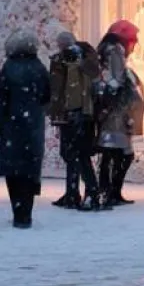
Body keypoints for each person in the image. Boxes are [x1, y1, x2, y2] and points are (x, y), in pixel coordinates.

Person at [0, 30, 51, 228]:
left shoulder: (8, 67)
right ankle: (26, 212)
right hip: (32, 124)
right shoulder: (39, 68)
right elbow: (47, 96)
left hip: (11, 124)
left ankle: (18, 211)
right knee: (30, 168)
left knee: (12, 168)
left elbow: (0, 98)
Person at [94, 21, 144, 209]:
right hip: (116, 111)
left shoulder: (105, 51)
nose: (133, 47)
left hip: (110, 111)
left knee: (111, 153)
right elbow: (117, 79)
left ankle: (108, 191)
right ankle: (111, 191)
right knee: (120, 153)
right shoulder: (115, 51)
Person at [48, 31, 99, 210]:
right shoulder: (61, 60)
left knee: (79, 155)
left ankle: (90, 192)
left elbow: (88, 80)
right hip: (70, 113)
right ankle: (73, 192)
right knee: (71, 154)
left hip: (80, 113)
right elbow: (56, 88)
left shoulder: (83, 59)